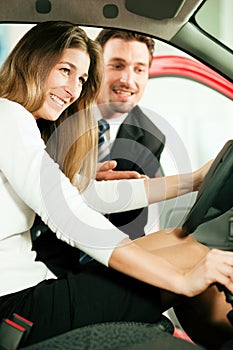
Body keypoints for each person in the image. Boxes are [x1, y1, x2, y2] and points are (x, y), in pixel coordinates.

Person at [0, 21, 233, 350]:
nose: (73, 89)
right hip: (16, 307)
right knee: (193, 254)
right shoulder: (8, 116)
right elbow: (70, 216)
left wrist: (194, 180)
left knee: (176, 239)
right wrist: (181, 280)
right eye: (65, 70)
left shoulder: (24, 122)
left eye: (81, 78)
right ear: (32, 62)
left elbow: (90, 195)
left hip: (32, 286)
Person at [95, 29, 165, 238]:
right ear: (96, 66)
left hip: (105, 255)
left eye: (139, 69)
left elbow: (129, 225)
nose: (128, 80)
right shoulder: (59, 114)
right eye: (117, 66)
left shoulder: (151, 138)